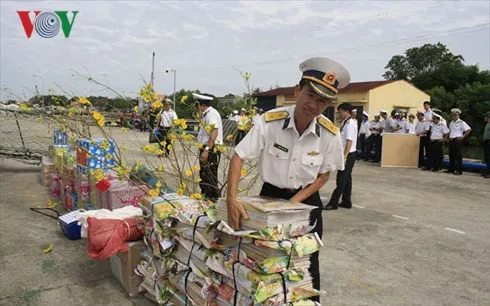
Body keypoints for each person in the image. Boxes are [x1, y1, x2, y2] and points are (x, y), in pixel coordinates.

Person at [226, 57, 348, 303]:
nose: (314, 105)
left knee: (306, 261)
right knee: (262, 258)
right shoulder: (270, 121)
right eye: (310, 95)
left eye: (322, 101)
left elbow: (324, 174)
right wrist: (231, 198)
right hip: (269, 197)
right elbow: (238, 156)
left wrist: (294, 203)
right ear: (297, 91)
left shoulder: (329, 134)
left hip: (305, 202)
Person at [325, 103, 358, 210]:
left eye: (340, 112)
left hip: (348, 154)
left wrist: (344, 156)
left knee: (341, 180)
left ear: (347, 112)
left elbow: (349, 141)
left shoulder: (349, 124)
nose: (339, 114)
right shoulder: (345, 122)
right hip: (347, 154)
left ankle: (333, 203)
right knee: (347, 179)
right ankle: (346, 201)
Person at [195, 93, 223, 201]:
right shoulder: (206, 114)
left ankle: (210, 199)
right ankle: (208, 197)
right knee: (204, 174)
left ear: (201, 105)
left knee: (209, 175)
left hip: (211, 148)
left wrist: (207, 150)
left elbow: (214, 132)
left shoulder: (211, 114)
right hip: (207, 147)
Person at [447, 108, 472, 175]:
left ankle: (459, 170)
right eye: (453, 115)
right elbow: (450, 131)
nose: (454, 116)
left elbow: (469, 129)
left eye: (455, 115)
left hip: (457, 140)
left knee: (458, 156)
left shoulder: (461, 122)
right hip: (452, 139)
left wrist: (462, 137)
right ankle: (451, 169)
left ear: (458, 115)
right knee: (451, 155)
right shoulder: (451, 122)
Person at [482, 111, 490, 178]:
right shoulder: (487, 124)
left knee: (489, 157)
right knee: (487, 157)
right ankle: (487, 171)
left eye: (485, 116)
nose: (484, 118)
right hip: (486, 142)